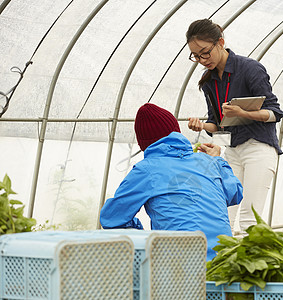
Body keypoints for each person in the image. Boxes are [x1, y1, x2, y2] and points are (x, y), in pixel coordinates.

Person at [100, 103, 243, 261]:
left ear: (144, 144)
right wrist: (218, 160)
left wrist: (145, 235)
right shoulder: (207, 161)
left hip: (179, 269)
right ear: (177, 132)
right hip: (225, 261)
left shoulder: (147, 170)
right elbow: (235, 193)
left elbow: (111, 218)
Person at [185, 19, 283, 235]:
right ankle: (221, 268)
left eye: (205, 52)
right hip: (233, 150)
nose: (202, 60)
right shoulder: (208, 80)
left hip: (259, 147)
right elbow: (217, 123)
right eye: (196, 56)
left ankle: (253, 268)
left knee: (250, 222)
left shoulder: (250, 69)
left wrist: (243, 113)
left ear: (220, 42)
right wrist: (201, 125)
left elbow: (275, 113)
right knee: (223, 218)